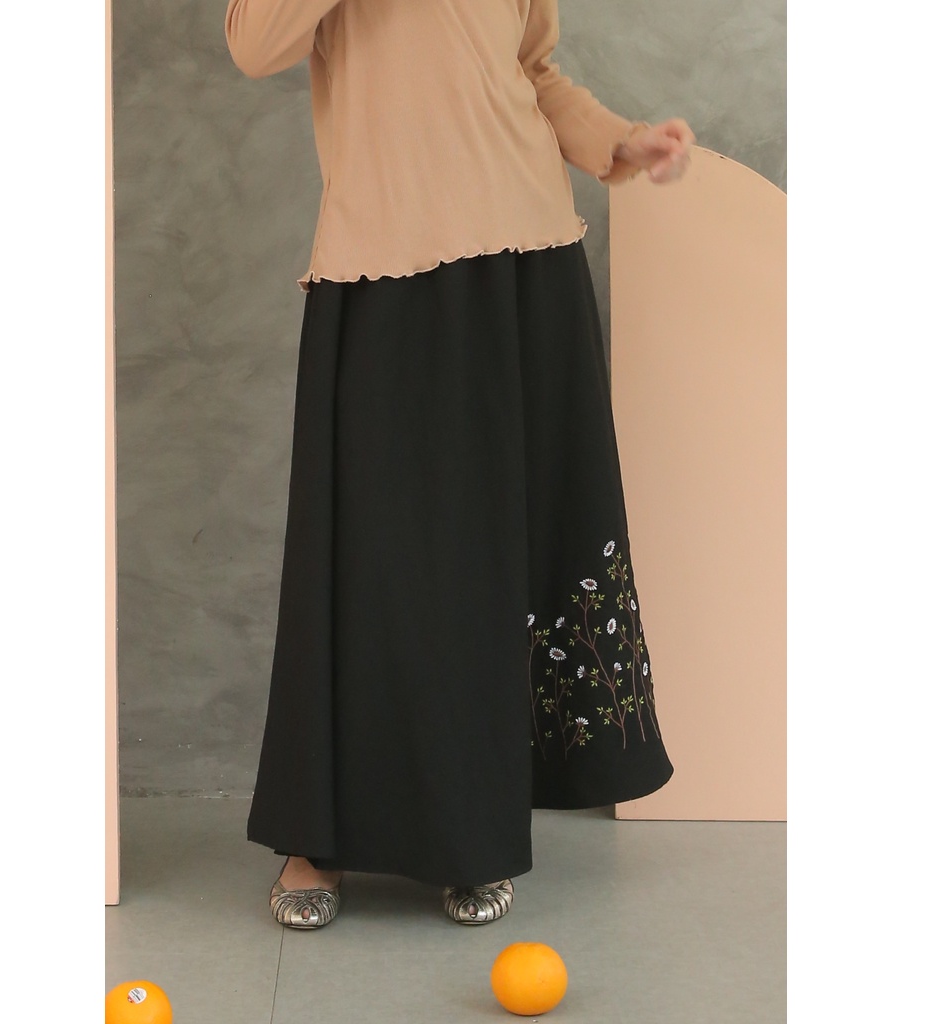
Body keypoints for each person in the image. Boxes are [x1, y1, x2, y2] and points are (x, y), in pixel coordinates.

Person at [224, 0, 694, 929]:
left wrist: (620, 142)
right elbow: (254, 44)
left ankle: (471, 834)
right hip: (383, 261)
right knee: (365, 560)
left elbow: (534, 71)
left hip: (526, 259)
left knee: (490, 560)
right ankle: (315, 840)